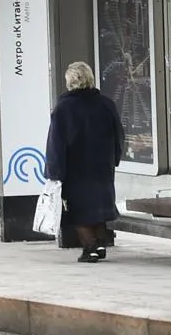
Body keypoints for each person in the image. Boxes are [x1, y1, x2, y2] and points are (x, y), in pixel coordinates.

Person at [46, 61, 125, 263]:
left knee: (78, 211)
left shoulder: (64, 108)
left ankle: (89, 247)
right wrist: (114, 159)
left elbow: (56, 143)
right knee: (98, 208)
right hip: (102, 168)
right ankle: (99, 244)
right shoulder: (106, 104)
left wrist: (54, 172)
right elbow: (119, 135)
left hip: (76, 171)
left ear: (70, 82)